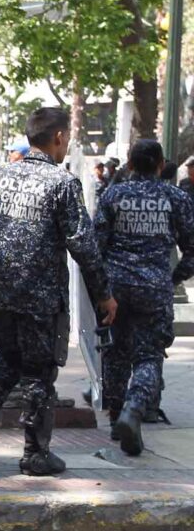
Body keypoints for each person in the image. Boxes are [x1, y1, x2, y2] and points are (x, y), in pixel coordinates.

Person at [0, 107, 116, 476]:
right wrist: (103, 294)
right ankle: (35, 452)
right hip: (40, 298)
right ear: (58, 137)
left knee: (10, 359)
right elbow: (84, 246)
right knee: (40, 372)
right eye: (69, 136)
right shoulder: (62, 183)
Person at [94, 139, 194, 455]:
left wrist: (100, 289)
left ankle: (114, 419)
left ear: (131, 163)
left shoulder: (112, 194)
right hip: (154, 288)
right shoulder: (174, 196)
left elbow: (96, 246)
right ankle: (135, 407)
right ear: (161, 165)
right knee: (149, 355)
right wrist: (171, 278)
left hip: (116, 289)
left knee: (115, 353)